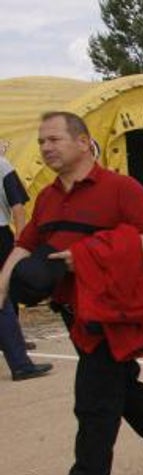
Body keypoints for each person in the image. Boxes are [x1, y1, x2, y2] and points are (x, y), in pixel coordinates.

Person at [0, 112, 143, 475]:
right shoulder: (49, 197)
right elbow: (26, 242)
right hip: (74, 312)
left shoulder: (121, 189)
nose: (46, 148)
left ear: (83, 142)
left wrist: (85, 256)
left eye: (54, 139)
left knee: (94, 400)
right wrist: (4, 281)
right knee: (122, 388)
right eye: (41, 142)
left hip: (113, 312)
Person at [0, 151, 52, 381]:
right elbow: (18, 206)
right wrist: (21, 241)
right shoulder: (2, 164)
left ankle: (13, 341)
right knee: (3, 295)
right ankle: (20, 362)